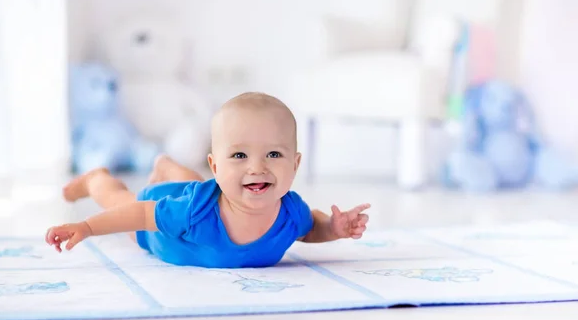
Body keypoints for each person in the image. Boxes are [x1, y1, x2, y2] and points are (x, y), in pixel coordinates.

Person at [45, 92, 370, 268]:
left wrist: (334, 229)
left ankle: (168, 165)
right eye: (240, 156)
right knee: (121, 199)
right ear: (215, 165)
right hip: (158, 223)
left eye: (273, 154)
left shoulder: (290, 212)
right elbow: (142, 214)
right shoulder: (192, 211)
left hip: (198, 190)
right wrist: (86, 228)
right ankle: (95, 180)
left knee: (192, 182)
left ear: (295, 164)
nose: (256, 168)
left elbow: (310, 228)